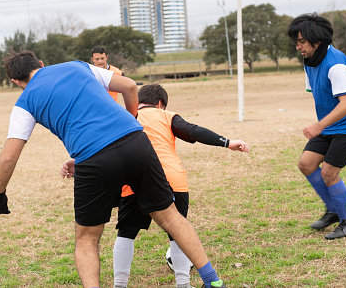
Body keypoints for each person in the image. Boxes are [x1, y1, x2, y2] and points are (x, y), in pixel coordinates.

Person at [0, 48, 228, 288]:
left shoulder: (25, 100)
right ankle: (213, 280)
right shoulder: (77, 66)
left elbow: (9, 157)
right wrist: (131, 120)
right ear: (41, 63)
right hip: (136, 141)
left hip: (94, 159)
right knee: (170, 216)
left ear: (15, 81)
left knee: (87, 239)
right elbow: (130, 86)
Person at [69, 84, 249, 288]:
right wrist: (227, 142)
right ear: (160, 103)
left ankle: (120, 284)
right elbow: (192, 131)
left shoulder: (125, 115)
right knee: (177, 232)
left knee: (126, 232)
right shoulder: (166, 116)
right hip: (172, 179)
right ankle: (183, 283)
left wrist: (76, 161)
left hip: (133, 177)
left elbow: (103, 144)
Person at [287, 13, 346, 240]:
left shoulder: (336, 64)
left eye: (301, 42)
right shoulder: (309, 61)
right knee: (306, 163)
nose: (298, 47)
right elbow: (319, 93)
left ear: (317, 41)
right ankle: (333, 210)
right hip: (331, 125)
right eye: (296, 42)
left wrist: (319, 125)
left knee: (329, 172)